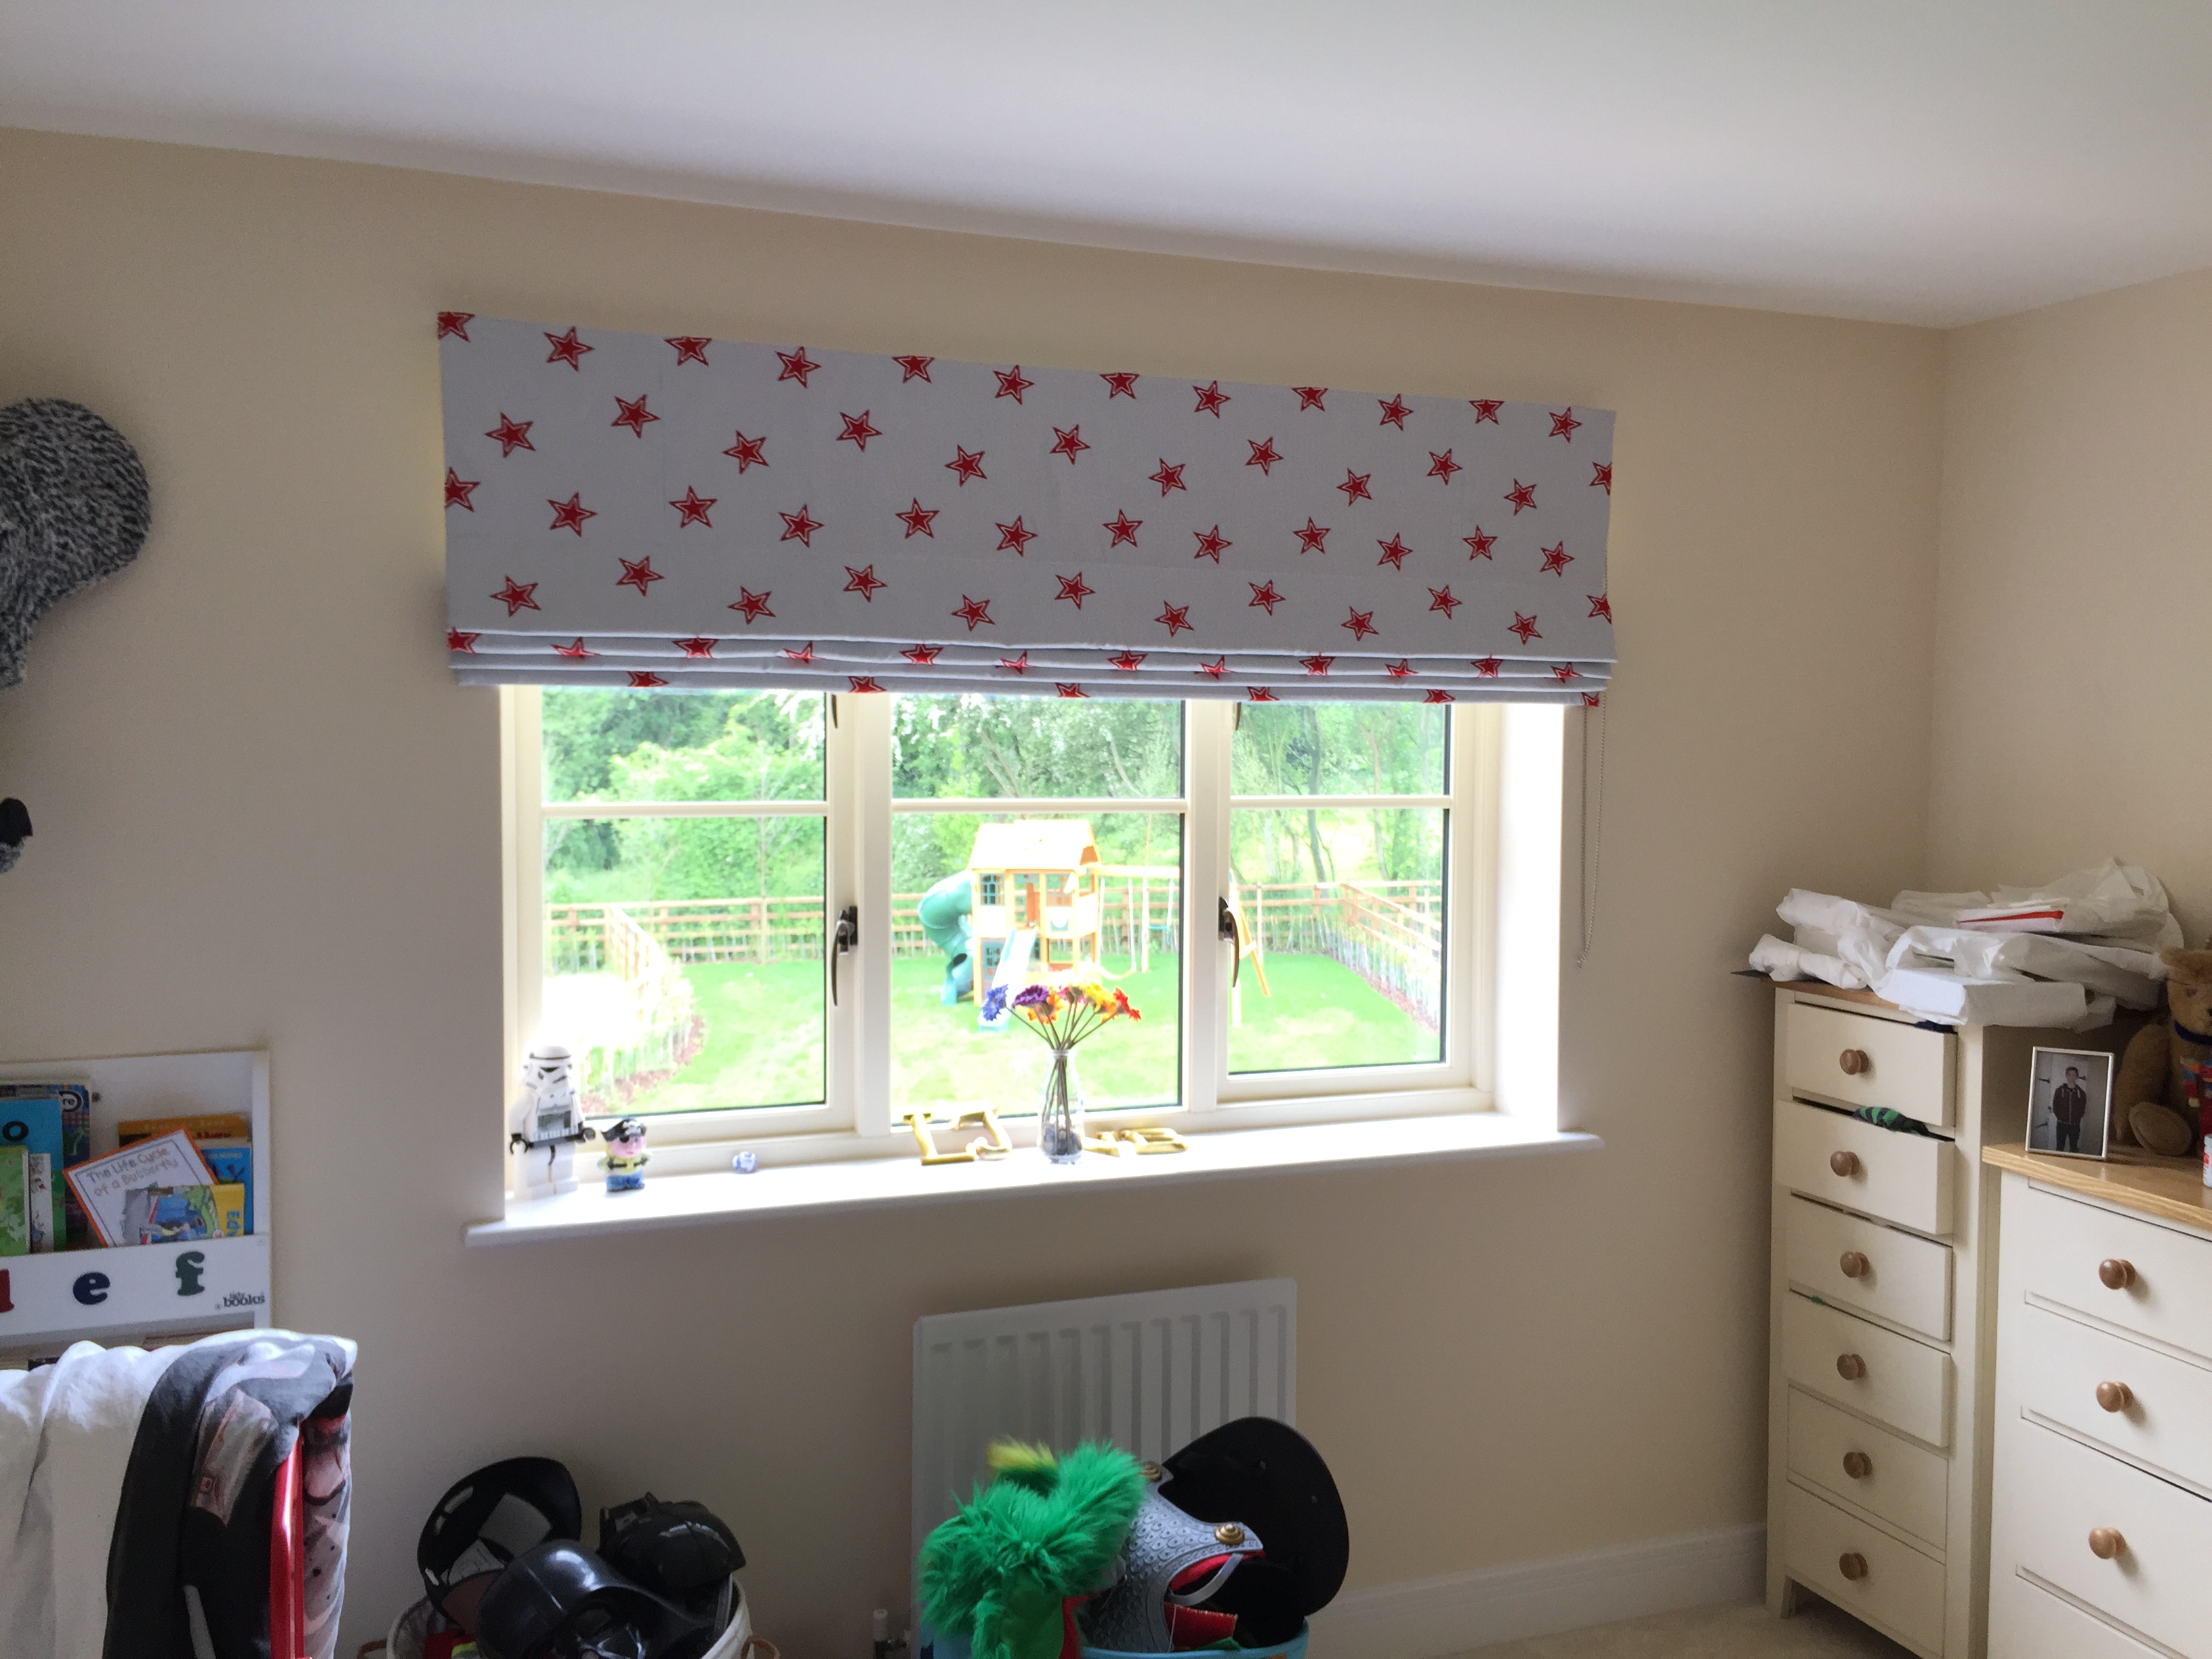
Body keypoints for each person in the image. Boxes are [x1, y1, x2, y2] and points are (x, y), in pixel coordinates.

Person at [2050, 1065, 2090, 1154]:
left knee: (2074, 1148)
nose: (2072, 1077)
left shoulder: (2081, 1093)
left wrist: (2077, 1119)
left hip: (2075, 1126)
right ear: (2066, 1076)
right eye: (2069, 1075)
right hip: (2061, 1125)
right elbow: (2055, 1106)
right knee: (2060, 1147)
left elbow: (2082, 1108)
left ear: (2077, 1077)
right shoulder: (2059, 1091)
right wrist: (2060, 1117)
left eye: (2074, 1075)